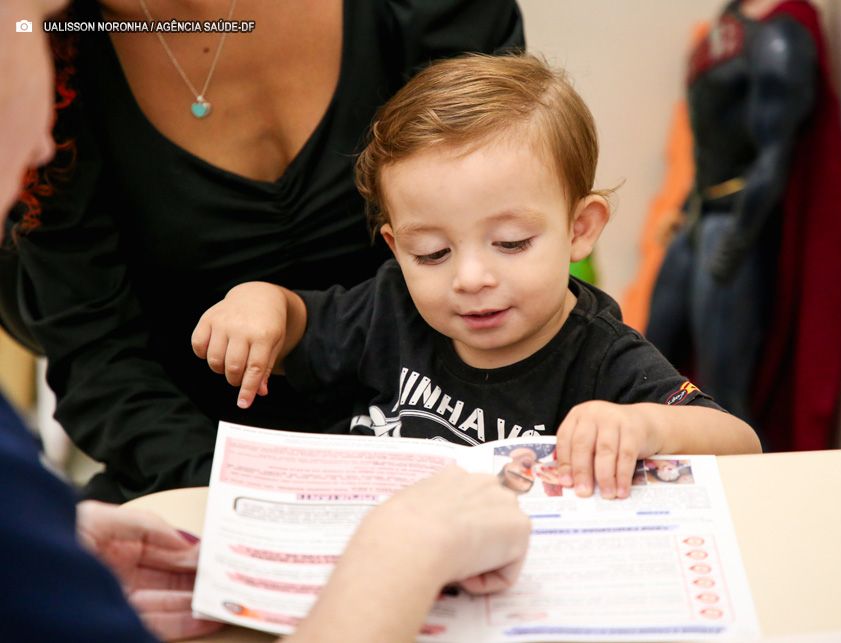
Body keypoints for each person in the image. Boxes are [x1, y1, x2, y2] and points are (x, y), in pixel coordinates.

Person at [1, 4, 532, 640]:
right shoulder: (52, 42)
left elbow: (507, 227)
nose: (38, 148)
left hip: (445, 447)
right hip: (195, 481)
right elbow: (97, 355)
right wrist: (257, 510)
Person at [193, 53, 763, 502]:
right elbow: (298, 324)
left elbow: (743, 445)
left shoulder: (600, 357)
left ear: (580, 229)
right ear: (395, 246)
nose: (469, 278)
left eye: (511, 243)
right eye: (432, 253)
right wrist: (259, 301)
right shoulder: (392, 306)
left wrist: (641, 426)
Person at [645, 0, 841, 450]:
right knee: (650, 351)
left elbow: (773, 157)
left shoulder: (780, 37)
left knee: (723, 382)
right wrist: (686, 208)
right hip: (701, 214)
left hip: (734, 221)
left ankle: (741, 493)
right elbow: (713, 141)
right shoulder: (731, 24)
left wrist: (738, 239)